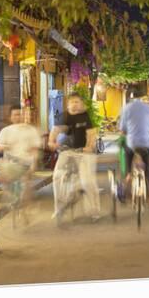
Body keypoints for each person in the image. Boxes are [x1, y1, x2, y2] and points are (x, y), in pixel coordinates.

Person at [48, 93, 101, 222]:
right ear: (68, 104)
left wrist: (89, 146)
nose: (75, 104)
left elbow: (91, 134)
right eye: (72, 102)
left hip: (83, 152)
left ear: (81, 104)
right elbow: (55, 131)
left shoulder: (85, 116)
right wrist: (51, 142)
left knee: (87, 182)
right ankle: (58, 208)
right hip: (67, 151)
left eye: (77, 102)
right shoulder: (63, 116)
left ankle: (94, 211)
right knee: (57, 177)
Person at [0, 105, 42, 222]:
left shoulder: (31, 130)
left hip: (25, 163)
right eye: (15, 114)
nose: (18, 117)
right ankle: (9, 200)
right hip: (10, 164)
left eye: (20, 114)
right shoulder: (5, 131)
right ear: (10, 117)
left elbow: (35, 149)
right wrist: (2, 147)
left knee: (26, 185)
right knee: (3, 179)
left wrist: (33, 164)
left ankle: (26, 208)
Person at [119, 91, 149, 202]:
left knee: (127, 160)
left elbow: (123, 130)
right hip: (147, 144)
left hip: (131, 143)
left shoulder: (126, 108)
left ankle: (126, 183)